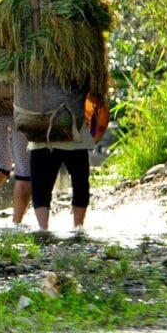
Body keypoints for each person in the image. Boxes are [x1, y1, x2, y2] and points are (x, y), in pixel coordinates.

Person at [29, 95, 110, 232]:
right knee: (80, 184)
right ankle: (78, 228)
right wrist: (94, 137)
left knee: (40, 188)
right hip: (76, 138)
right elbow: (99, 104)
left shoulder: (35, 75)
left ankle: (43, 230)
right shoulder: (82, 74)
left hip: (41, 135)